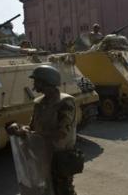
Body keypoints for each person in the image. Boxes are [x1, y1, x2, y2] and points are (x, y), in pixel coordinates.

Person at [7, 65, 79, 195]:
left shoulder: (65, 102)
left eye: (37, 81)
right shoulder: (39, 103)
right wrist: (20, 128)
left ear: (47, 82)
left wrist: (32, 134)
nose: (34, 84)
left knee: (63, 190)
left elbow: (62, 133)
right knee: (45, 189)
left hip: (60, 156)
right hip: (42, 155)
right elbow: (32, 126)